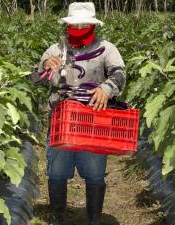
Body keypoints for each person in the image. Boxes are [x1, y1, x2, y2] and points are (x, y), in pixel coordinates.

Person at [31, 2, 126, 225]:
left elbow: (119, 73)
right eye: (75, 24)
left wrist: (106, 88)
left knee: (94, 174)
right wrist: (45, 65)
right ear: (68, 25)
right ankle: (58, 218)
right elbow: (34, 78)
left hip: (93, 123)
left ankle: (93, 219)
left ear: (92, 25)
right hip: (61, 122)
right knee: (56, 174)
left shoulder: (107, 49)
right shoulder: (55, 50)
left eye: (83, 24)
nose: (79, 27)